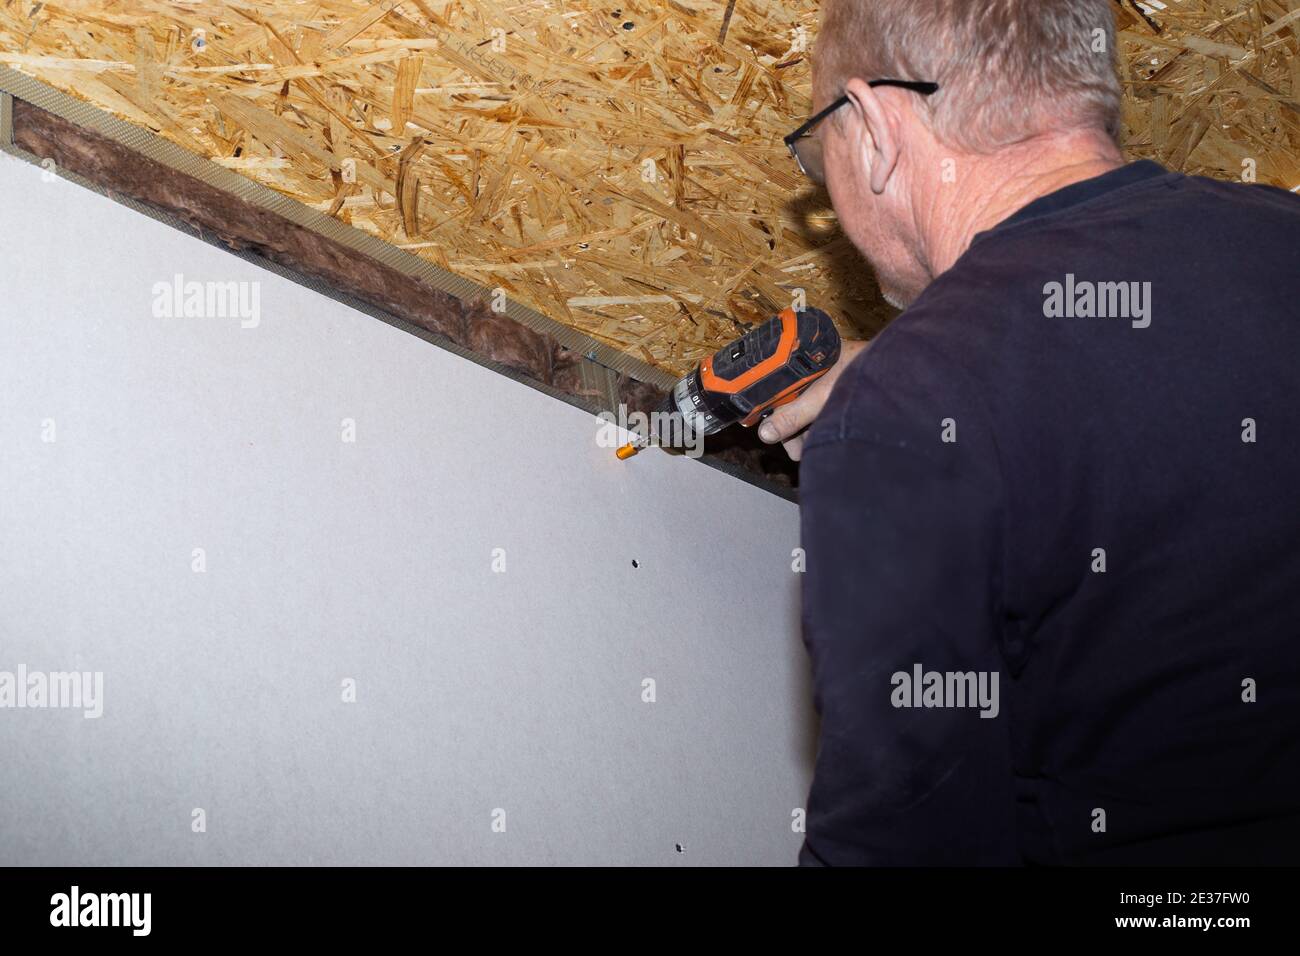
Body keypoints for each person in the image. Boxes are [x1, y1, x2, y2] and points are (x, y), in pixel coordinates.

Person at [762, 0, 1300, 864]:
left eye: (818, 153)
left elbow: (903, 843)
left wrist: (911, 400)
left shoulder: (905, 411)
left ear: (873, 125)